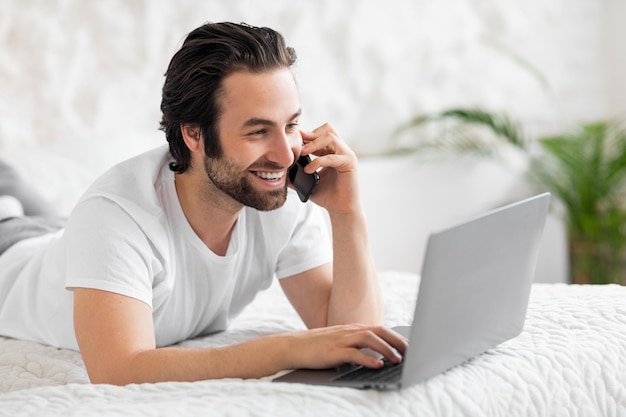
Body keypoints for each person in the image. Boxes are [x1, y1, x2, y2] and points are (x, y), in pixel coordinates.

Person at [0, 22, 406, 385]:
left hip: (55, 236)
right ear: (193, 135)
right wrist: (285, 349)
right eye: (257, 131)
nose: (285, 156)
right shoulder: (115, 215)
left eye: (291, 125)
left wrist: (347, 213)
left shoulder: (278, 195)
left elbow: (354, 338)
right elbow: (118, 369)